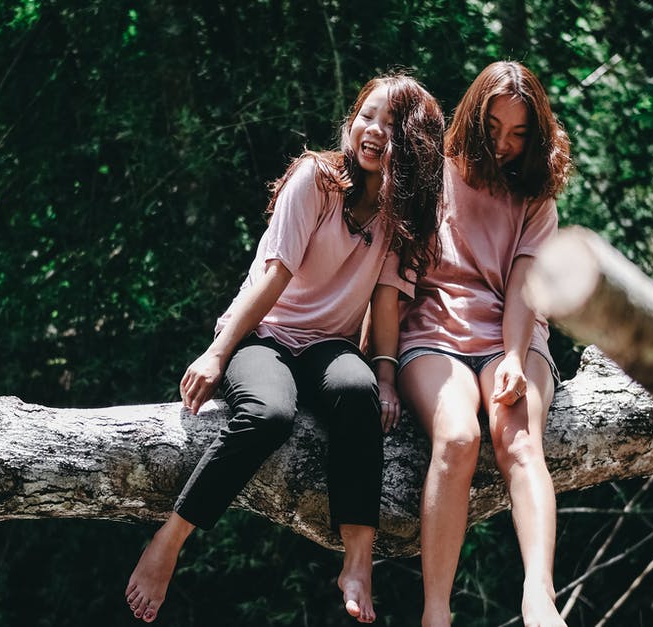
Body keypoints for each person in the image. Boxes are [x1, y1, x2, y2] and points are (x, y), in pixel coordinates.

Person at [125, 73, 445, 624]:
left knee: (358, 390)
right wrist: (217, 353)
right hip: (264, 336)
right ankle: (171, 539)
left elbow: (387, 304)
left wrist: (388, 378)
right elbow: (272, 279)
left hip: (329, 347)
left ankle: (357, 562)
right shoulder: (315, 181)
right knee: (269, 413)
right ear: (351, 120)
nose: (374, 132)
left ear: (412, 143)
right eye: (367, 116)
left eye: (392, 127)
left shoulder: (399, 215)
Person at [396, 61, 572, 627]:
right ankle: (436, 612)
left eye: (519, 134)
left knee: (518, 441)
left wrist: (516, 361)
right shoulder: (434, 171)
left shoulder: (536, 193)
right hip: (434, 334)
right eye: (493, 128)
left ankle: (539, 594)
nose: (503, 144)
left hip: (511, 332)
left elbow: (523, 285)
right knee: (457, 436)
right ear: (472, 118)